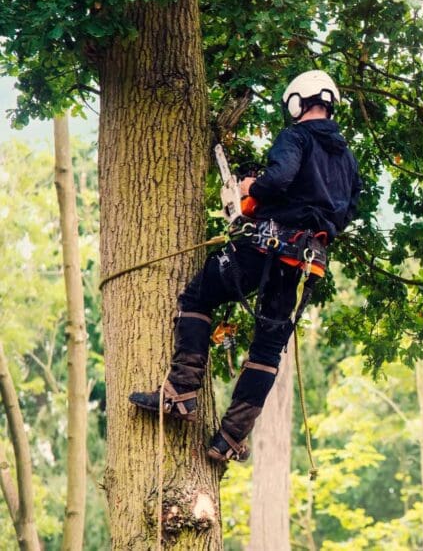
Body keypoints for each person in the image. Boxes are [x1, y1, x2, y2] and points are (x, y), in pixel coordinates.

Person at [129, 70, 362, 462]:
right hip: (304, 263)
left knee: (198, 295)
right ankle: (231, 438)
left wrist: (249, 187)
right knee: (268, 347)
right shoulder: (348, 159)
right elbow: (349, 210)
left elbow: (279, 179)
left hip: (268, 248)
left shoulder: (296, 137)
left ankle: (181, 392)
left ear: (296, 102)